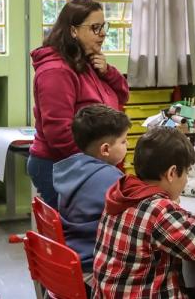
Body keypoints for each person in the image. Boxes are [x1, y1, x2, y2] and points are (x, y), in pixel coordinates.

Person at [92, 127, 195, 299]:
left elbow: (174, 222)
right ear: (171, 173)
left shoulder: (126, 191)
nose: (185, 180)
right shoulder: (159, 210)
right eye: (185, 173)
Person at [27, 0, 129, 208]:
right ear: (73, 31)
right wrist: (97, 162)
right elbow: (59, 133)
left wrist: (108, 71)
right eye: (95, 28)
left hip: (90, 162)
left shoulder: (86, 60)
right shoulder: (56, 71)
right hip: (60, 164)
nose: (102, 34)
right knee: (82, 229)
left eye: (103, 27)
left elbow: (121, 97)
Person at [52, 104, 130, 286]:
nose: (127, 145)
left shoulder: (72, 169)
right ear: (105, 149)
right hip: (93, 265)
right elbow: (142, 214)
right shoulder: (111, 178)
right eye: (124, 141)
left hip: (72, 257)